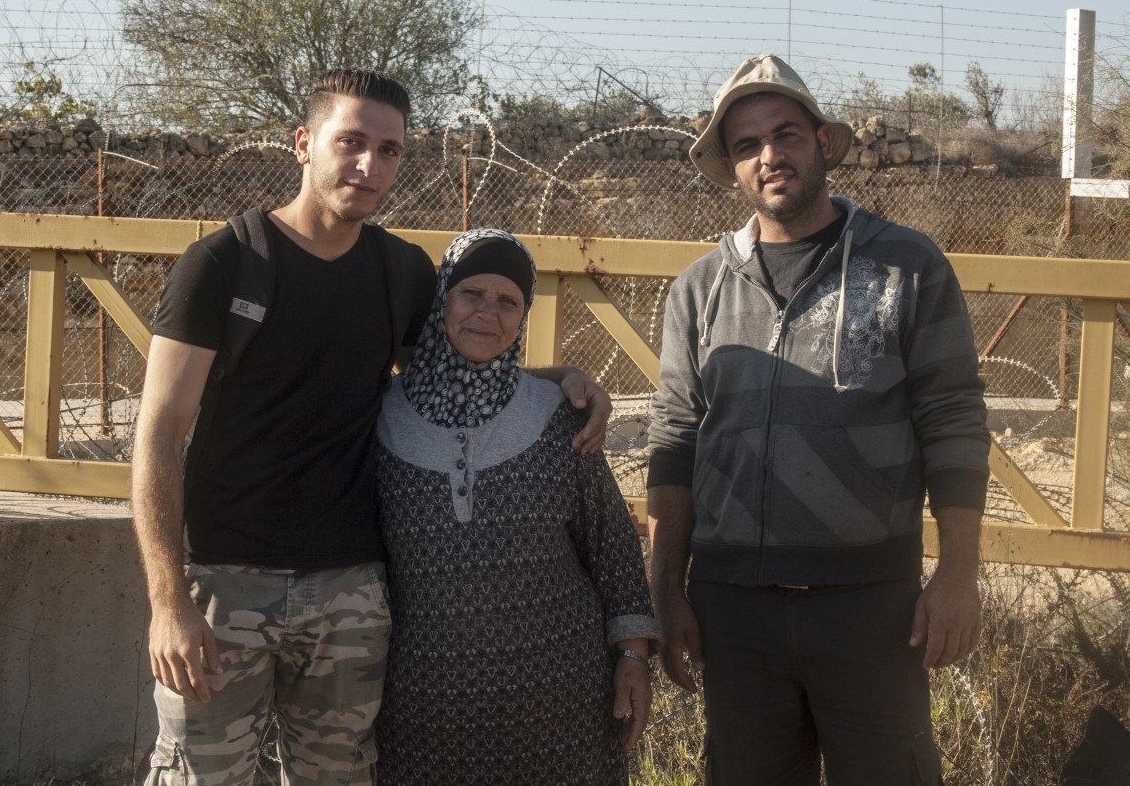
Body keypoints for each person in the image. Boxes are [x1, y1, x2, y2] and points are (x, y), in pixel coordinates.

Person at [131, 70, 611, 786]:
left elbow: (458, 366)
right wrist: (168, 601)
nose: (369, 165)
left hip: (350, 589)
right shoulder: (225, 264)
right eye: (351, 142)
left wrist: (558, 376)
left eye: (388, 150)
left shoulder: (400, 271)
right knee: (202, 776)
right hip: (225, 584)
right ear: (304, 143)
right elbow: (159, 435)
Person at [647, 53, 990, 785]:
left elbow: (953, 419)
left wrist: (959, 572)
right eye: (746, 145)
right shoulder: (700, 289)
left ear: (822, 143)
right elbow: (675, 441)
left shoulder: (905, 265)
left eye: (786, 134)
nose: (770, 155)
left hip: (870, 609)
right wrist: (667, 588)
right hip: (735, 615)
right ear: (733, 168)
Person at [371, 228, 659, 786]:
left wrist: (634, 656)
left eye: (508, 302)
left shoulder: (560, 414)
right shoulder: (381, 417)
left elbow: (613, 550)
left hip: (560, 719)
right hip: (420, 723)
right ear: (441, 303)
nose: (488, 314)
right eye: (471, 295)